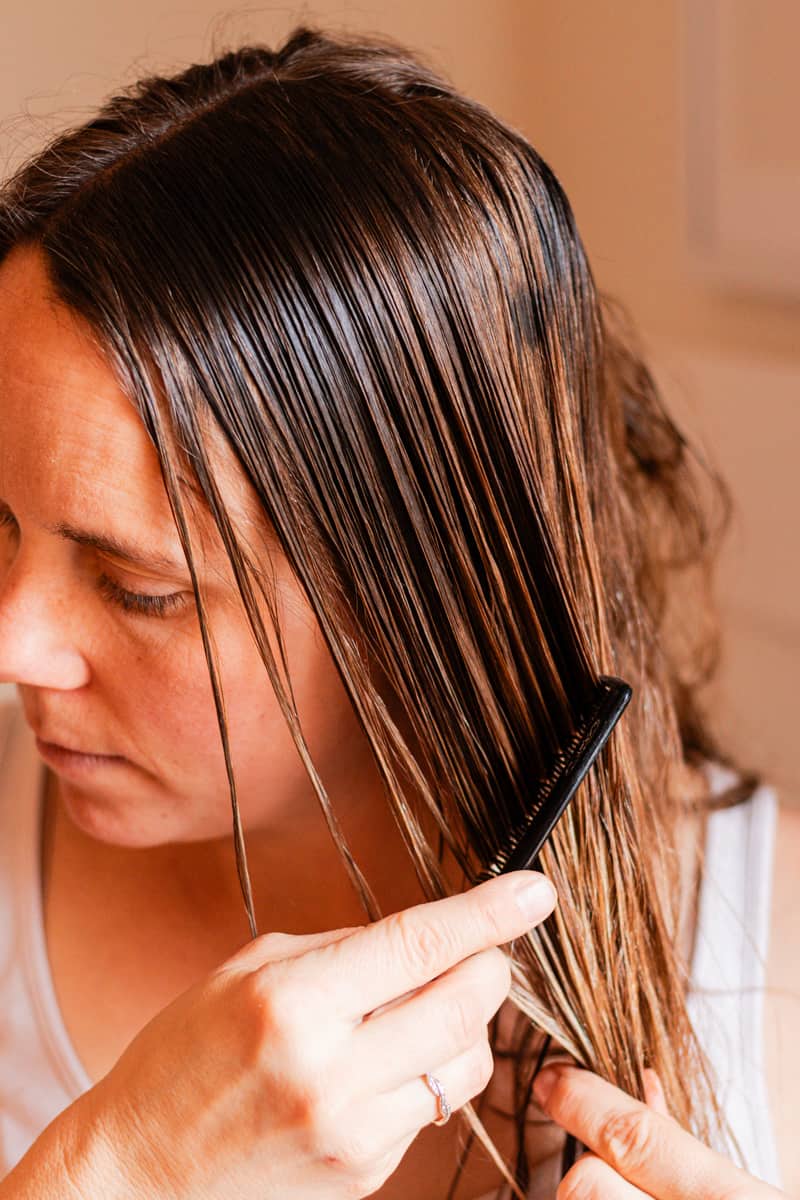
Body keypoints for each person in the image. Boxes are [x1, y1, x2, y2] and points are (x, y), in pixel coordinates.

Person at [0, 23, 794, 1200]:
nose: (13, 645)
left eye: (141, 591)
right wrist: (115, 1172)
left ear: (430, 596)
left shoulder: (769, 973)